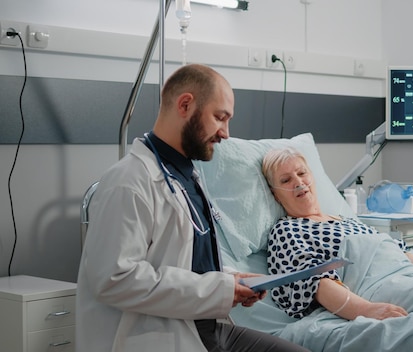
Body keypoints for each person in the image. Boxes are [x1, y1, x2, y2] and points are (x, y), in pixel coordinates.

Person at [76, 64, 309, 352]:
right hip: (158, 335)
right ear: (185, 104)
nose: (225, 133)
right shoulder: (129, 182)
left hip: (203, 327)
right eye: (219, 118)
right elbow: (115, 279)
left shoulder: (186, 175)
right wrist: (221, 290)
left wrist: (230, 280)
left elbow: (189, 259)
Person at [261, 147, 413, 320]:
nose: (298, 182)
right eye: (286, 180)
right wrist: (365, 310)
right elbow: (313, 281)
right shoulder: (288, 231)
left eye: (302, 173)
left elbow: (398, 252)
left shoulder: (346, 220)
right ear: (275, 194)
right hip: (381, 287)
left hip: (412, 275)